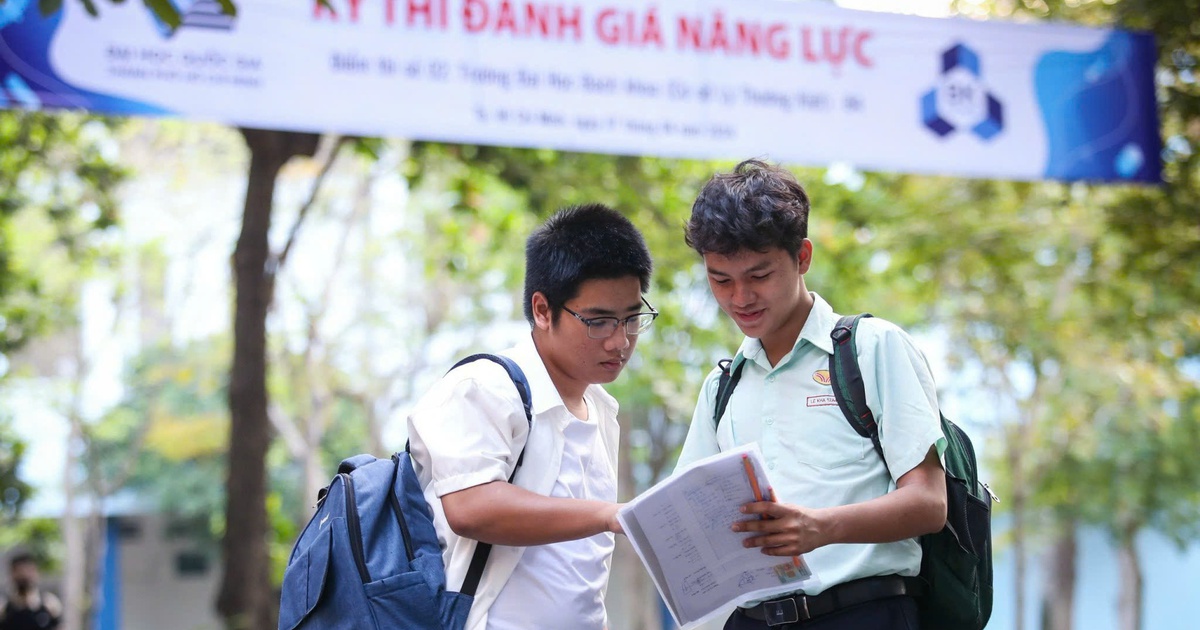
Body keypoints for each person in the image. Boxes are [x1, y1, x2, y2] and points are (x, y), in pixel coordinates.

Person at [675, 159, 948, 629]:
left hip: (863, 614)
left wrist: (822, 527)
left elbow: (929, 503)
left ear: (802, 257)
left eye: (759, 276)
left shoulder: (871, 349)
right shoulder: (722, 387)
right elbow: (693, 523)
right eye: (721, 280)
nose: (740, 298)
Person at [407, 203, 657, 630]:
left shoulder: (602, 408)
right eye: (598, 322)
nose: (620, 341)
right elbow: (470, 506)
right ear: (543, 310)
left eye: (632, 318)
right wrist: (609, 514)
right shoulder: (485, 387)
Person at [0, 552, 62, 630]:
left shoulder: (49, 605)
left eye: (28, 570)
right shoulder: (3, 609)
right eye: (19, 571)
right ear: (12, 574)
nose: (24, 575)